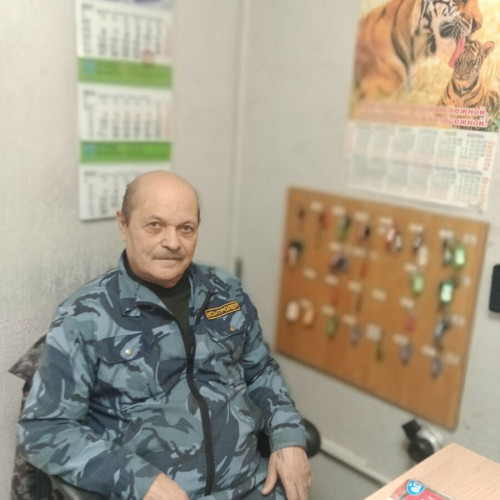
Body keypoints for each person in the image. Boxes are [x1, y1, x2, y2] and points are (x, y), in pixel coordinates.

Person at [18, 171, 311, 500]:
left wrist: (288, 435)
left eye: (186, 228)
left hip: (253, 485)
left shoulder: (226, 293)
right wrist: (137, 480)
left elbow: (260, 373)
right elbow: (44, 429)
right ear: (123, 224)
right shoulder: (84, 316)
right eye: (155, 225)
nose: (172, 242)